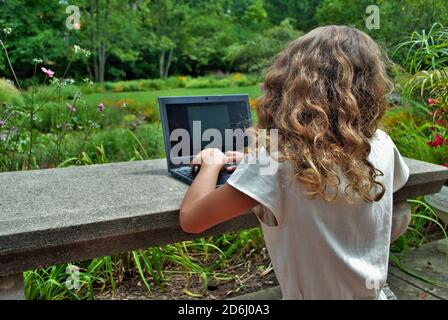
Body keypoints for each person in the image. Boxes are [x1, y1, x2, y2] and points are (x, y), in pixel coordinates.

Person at [179, 25, 410, 300]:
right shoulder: (381, 143)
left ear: (291, 82)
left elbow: (192, 220)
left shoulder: (275, 160)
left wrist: (211, 163)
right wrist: (253, 164)